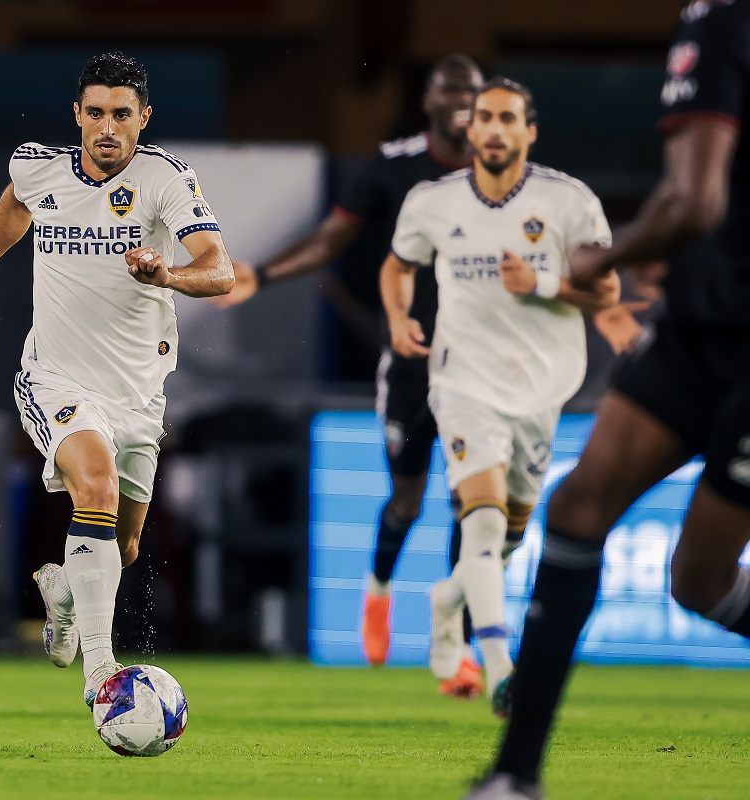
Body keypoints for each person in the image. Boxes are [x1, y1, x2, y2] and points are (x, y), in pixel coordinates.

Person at [472, 3, 750, 797]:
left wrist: (603, 255)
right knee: (578, 511)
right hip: (707, 319)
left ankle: (512, 777)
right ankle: (514, 777)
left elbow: (694, 201)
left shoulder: (722, 20)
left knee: (699, 579)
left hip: (733, 334)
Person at [0, 51, 234, 707]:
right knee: (97, 483)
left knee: (124, 544)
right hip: (56, 377)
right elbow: (16, 203)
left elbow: (219, 270)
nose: (108, 128)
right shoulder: (39, 166)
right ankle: (105, 676)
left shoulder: (166, 179)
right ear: (78, 115)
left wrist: (168, 275)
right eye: (97, 113)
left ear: (144, 119)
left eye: (123, 115)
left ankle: (65, 588)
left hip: (138, 392)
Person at [216, 55, 488, 689]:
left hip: (480, 369)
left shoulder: (500, 175)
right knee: (408, 498)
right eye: (449, 90)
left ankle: (459, 647)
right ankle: (377, 591)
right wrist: (261, 273)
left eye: (471, 92)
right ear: (428, 101)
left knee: (472, 503)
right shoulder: (396, 170)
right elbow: (332, 239)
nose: (461, 102)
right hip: (415, 364)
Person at [379, 77, 619, 712]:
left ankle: (446, 601)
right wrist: (399, 318)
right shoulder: (431, 201)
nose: (491, 128)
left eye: (506, 118)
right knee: (481, 523)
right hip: (462, 382)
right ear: (470, 128)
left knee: (506, 541)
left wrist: (540, 281)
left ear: (528, 131)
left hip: (541, 389)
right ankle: (500, 665)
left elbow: (608, 293)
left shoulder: (568, 202)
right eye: (483, 117)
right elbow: (398, 265)